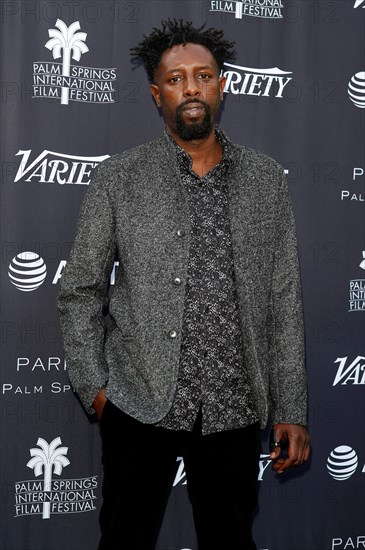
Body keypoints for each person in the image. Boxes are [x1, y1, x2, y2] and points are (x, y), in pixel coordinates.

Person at [58, 19, 311, 550]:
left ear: (222, 85)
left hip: (234, 404)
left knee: (230, 540)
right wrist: (99, 392)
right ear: (157, 94)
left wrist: (290, 408)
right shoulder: (119, 178)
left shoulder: (267, 180)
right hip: (138, 402)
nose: (191, 88)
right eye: (176, 79)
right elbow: (80, 289)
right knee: (123, 539)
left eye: (203, 75)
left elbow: (283, 299)